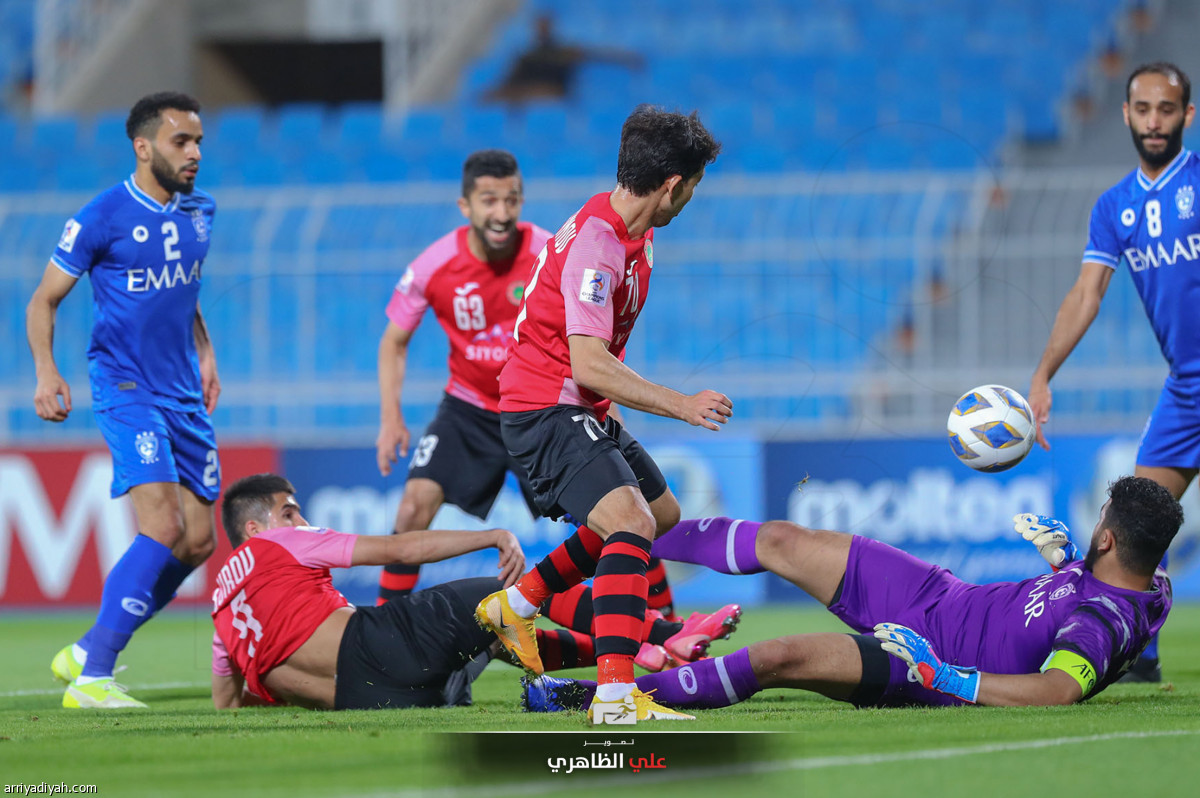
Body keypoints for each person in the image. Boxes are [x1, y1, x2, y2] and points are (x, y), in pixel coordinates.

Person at [524, 476, 1180, 714]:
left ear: (1110, 539)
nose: (1096, 524)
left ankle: (589, 698)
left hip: (924, 658)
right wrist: (1067, 557)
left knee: (777, 656)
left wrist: (944, 676)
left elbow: (1062, 689)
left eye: (1101, 520)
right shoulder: (1146, 584)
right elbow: (1108, 589)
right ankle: (623, 532)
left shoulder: (1102, 622)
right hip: (942, 595)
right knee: (782, 538)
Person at [475, 105, 727, 724]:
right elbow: (587, 365)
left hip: (576, 404)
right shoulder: (600, 247)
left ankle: (520, 603)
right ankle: (614, 697)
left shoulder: (632, 230)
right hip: (543, 405)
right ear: (672, 185)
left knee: (659, 513)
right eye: (693, 186)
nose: (692, 198)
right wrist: (682, 405)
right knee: (631, 524)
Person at [373, 149, 679, 624]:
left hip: (548, 405)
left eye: (512, 200)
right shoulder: (434, 265)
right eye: (489, 200)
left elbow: (594, 329)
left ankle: (664, 623)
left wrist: (607, 407)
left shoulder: (552, 245)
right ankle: (382, 627)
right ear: (465, 207)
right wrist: (391, 416)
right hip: (470, 409)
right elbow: (394, 341)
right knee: (412, 507)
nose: (501, 212)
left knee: (621, 508)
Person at [210, 473, 737, 709]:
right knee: (507, 592)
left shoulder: (220, 613)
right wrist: (489, 534)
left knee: (496, 633)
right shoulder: (282, 546)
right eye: (288, 510)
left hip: (382, 701)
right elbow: (399, 550)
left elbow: (228, 704)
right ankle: (666, 632)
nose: (300, 518)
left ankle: (643, 651)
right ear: (255, 530)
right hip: (377, 651)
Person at [26, 92, 221, 709]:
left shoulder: (200, 213)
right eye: (179, 142)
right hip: (126, 386)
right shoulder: (101, 216)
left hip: (183, 391)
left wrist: (206, 350)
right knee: (161, 524)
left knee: (196, 542)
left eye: (197, 142)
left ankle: (87, 648)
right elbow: (43, 301)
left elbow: (181, 295)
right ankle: (93, 680)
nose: (193, 154)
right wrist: (46, 372)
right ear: (143, 148)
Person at [1029, 62, 1197, 682]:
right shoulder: (1115, 207)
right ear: (1126, 114)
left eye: (1168, 109)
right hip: (1186, 388)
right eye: (1144, 109)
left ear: (1187, 115)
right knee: (1131, 527)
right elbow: (1085, 295)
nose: (1156, 121)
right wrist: (1044, 373)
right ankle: (1137, 655)